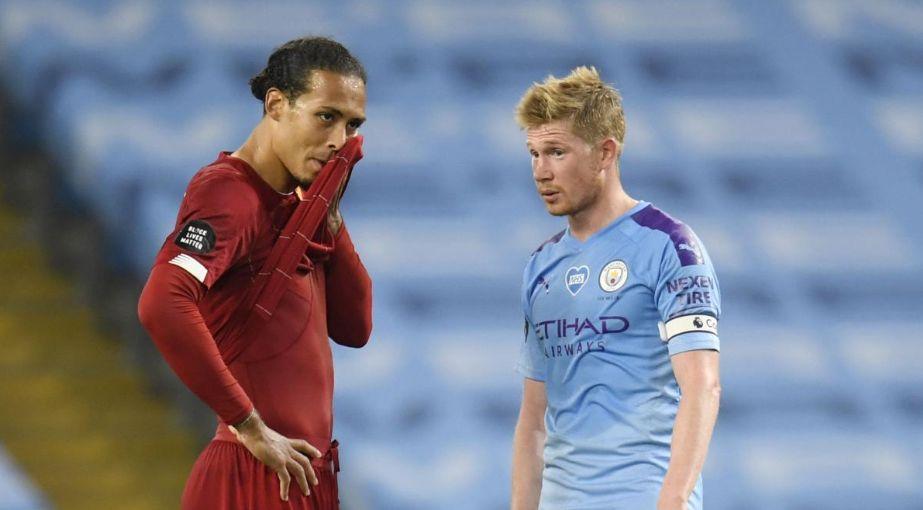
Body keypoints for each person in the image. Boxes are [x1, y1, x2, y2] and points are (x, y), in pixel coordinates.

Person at [137, 36, 372, 510]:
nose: (338, 143)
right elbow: (161, 303)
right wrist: (250, 426)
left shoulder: (293, 207)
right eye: (326, 116)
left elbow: (355, 328)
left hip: (302, 476)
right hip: (253, 476)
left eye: (351, 125)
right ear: (277, 104)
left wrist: (331, 219)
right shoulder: (231, 194)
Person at [510, 66, 722, 510]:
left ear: (605, 153)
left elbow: (702, 385)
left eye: (556, 152)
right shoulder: (540, 267)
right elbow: (533, 420)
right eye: (533, 153)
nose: (540, 171)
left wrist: (674, 500)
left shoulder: (670, 246)